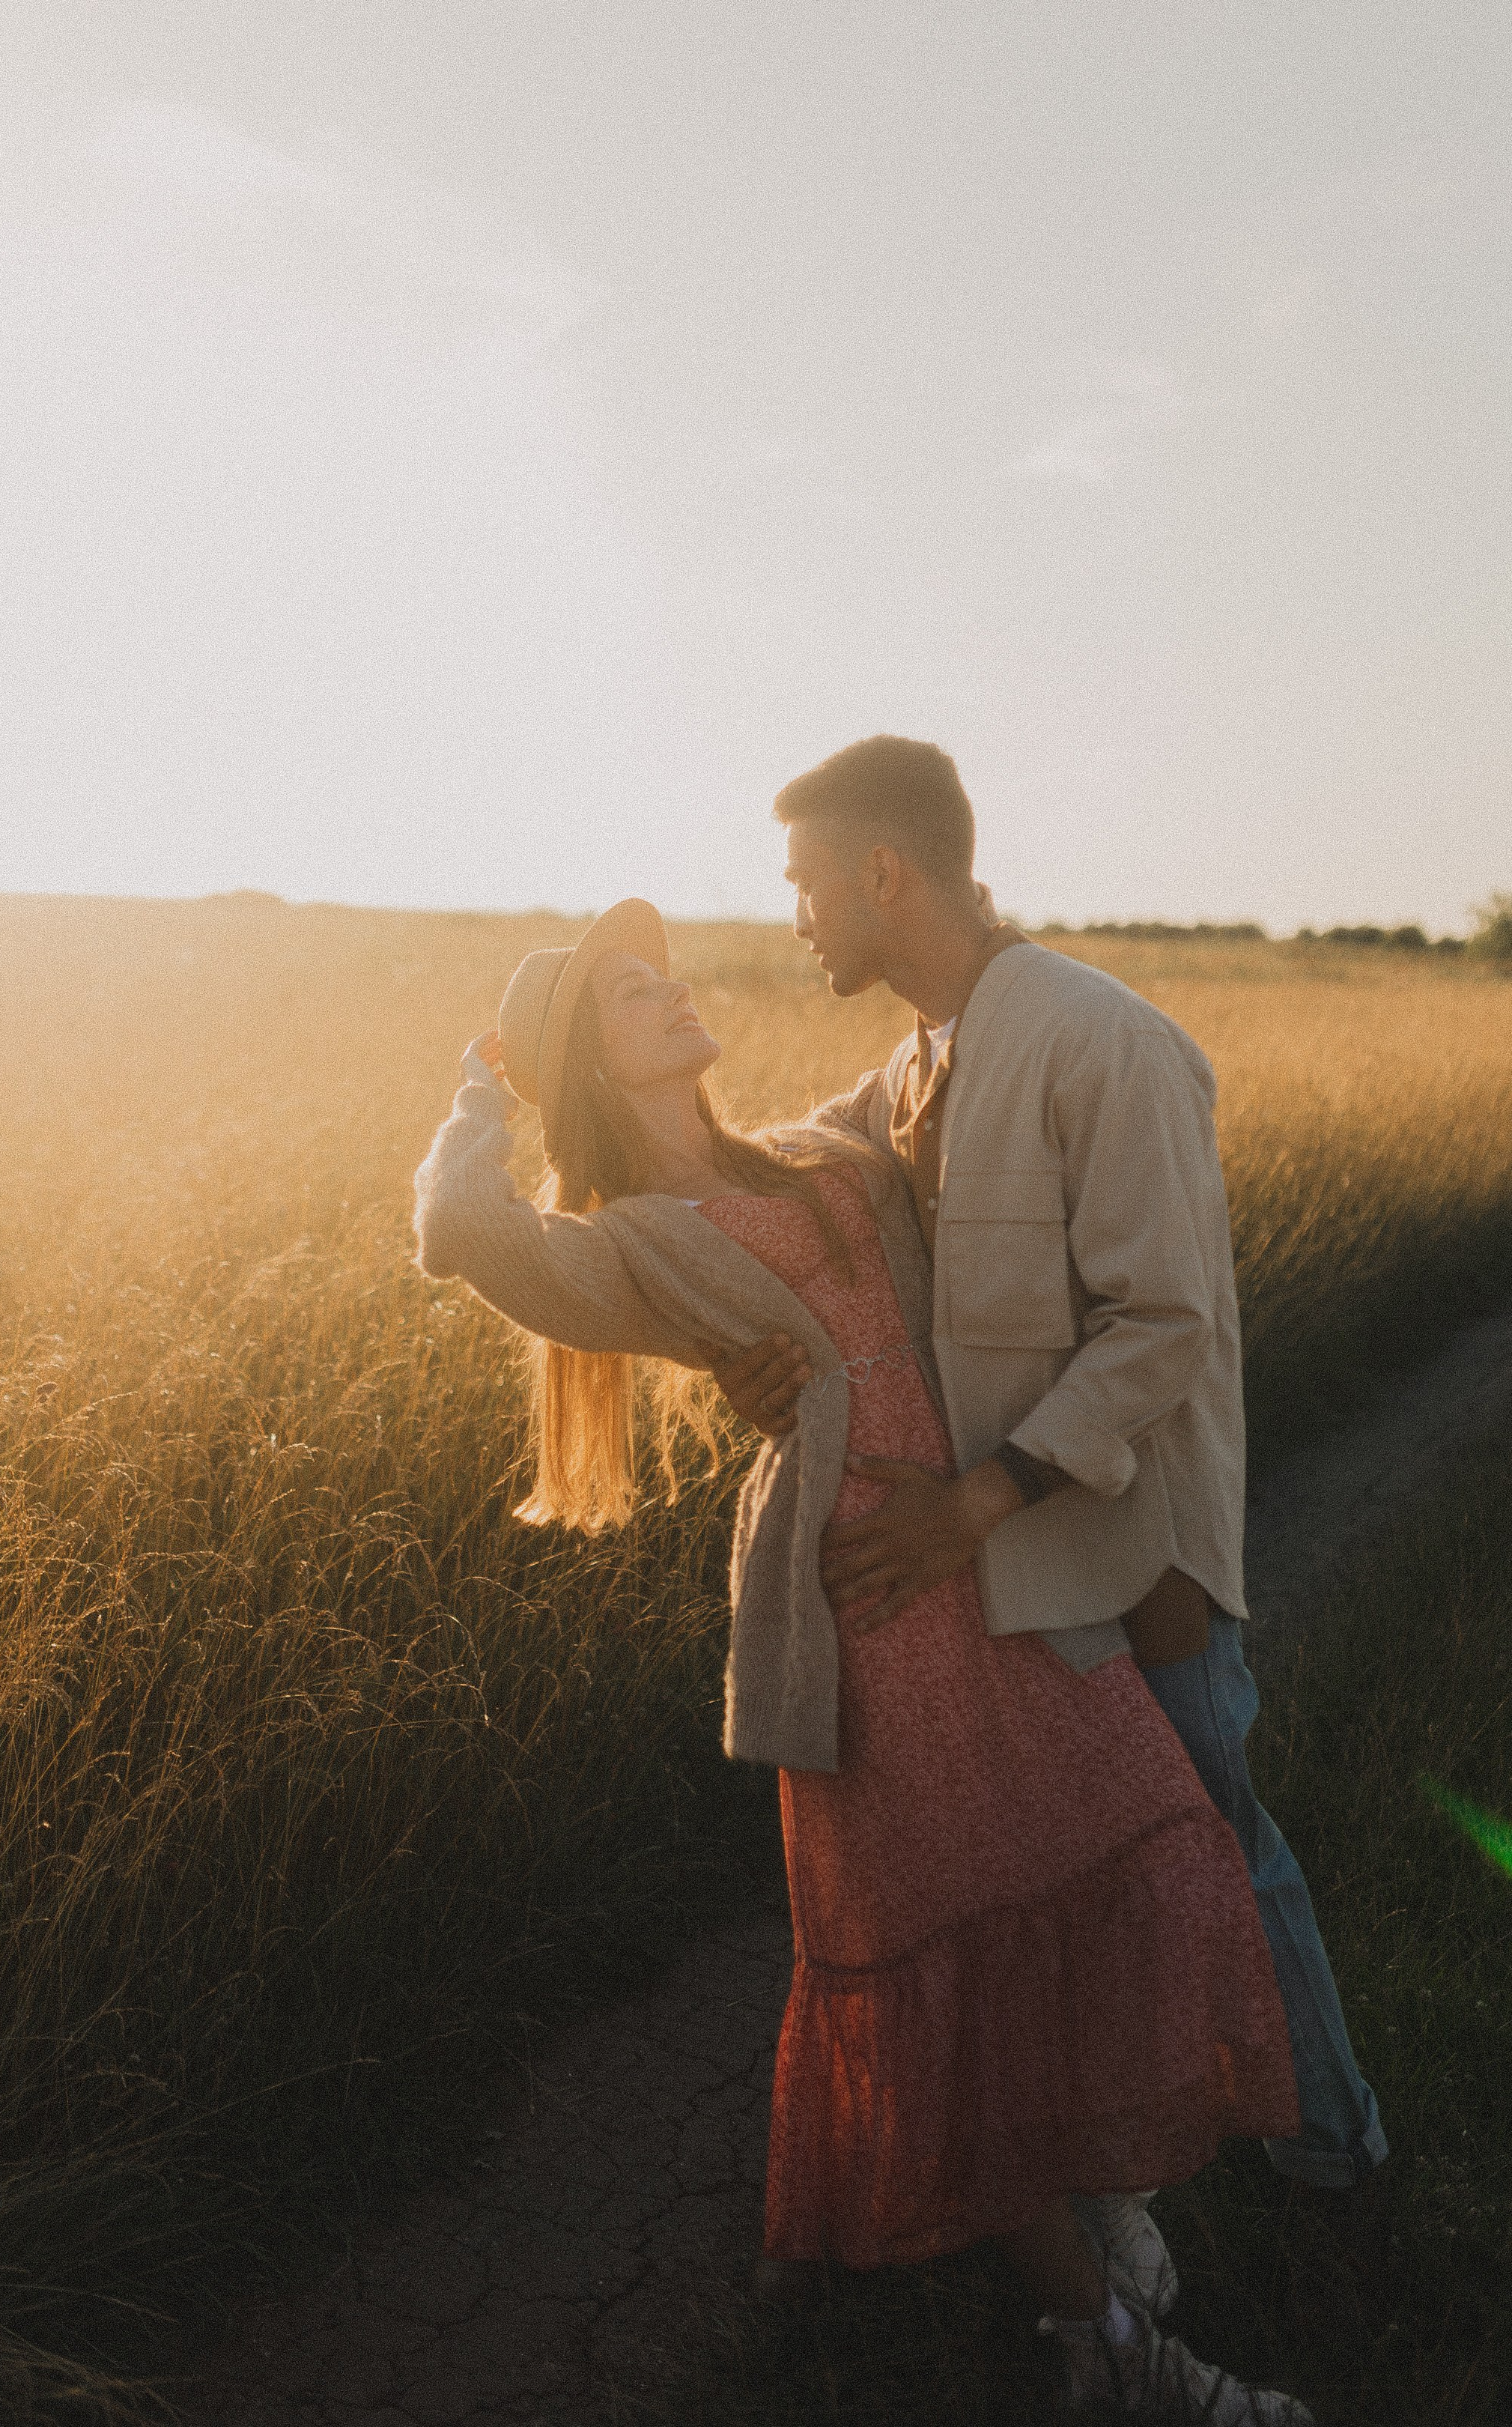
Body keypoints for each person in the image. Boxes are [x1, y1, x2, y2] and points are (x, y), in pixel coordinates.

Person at [414, 895, 1314, 2423]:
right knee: (945, 1953)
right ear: (586, 1056)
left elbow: (939, 1066)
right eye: (633, 994)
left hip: (992, 1555)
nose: (673, 993)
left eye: (662, 972)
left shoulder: (819, 1147)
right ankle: (1121, 2358)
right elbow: (459, 1230)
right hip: (866, 1604)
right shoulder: (636, 1244)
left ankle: (1098, 2187)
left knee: (1149, 1838)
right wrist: (483, 1071)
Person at [712, 735, 1389, 2311]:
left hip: (1126, 1551)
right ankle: (1124, 2193)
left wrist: (974, 1504)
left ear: (888, 873)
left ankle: (1335, 2166)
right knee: (1088, 1900)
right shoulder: (907, 1074)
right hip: (1004, 1570)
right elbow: (792, 1212)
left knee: (1220, 1846)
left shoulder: (1108, 1043)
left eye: (809, 882)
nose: (798, 917)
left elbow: (1163, 1329)